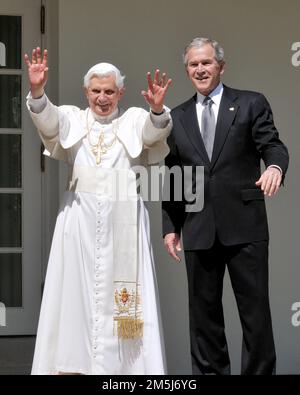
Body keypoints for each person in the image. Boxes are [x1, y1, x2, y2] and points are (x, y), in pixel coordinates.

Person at [25, 47, 172, 375]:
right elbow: (47, 122)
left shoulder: (134, 119)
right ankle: (74, 364)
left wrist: (158, 109)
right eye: (95, 91)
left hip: (125, 222)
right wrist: (37, 90)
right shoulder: (72, 118)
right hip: (80, 220)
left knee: (122, 300)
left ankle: (126, 372)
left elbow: (154, 131)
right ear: (85, 92)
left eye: (109, 91)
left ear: (120, 92)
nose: (102, 98)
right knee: (75, 293)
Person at [162, 37, 289, 375]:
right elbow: (174, 174)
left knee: (255, 316)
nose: (200, 69)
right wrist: (171, 227)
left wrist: (275, 167)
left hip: (245, 226)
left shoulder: (250, 103)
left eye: (206, 62)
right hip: (198, 228)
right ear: (187, 70)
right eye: (193, 64)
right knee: (203, 320)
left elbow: (273, 145)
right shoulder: (177, 116)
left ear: (221, 65)